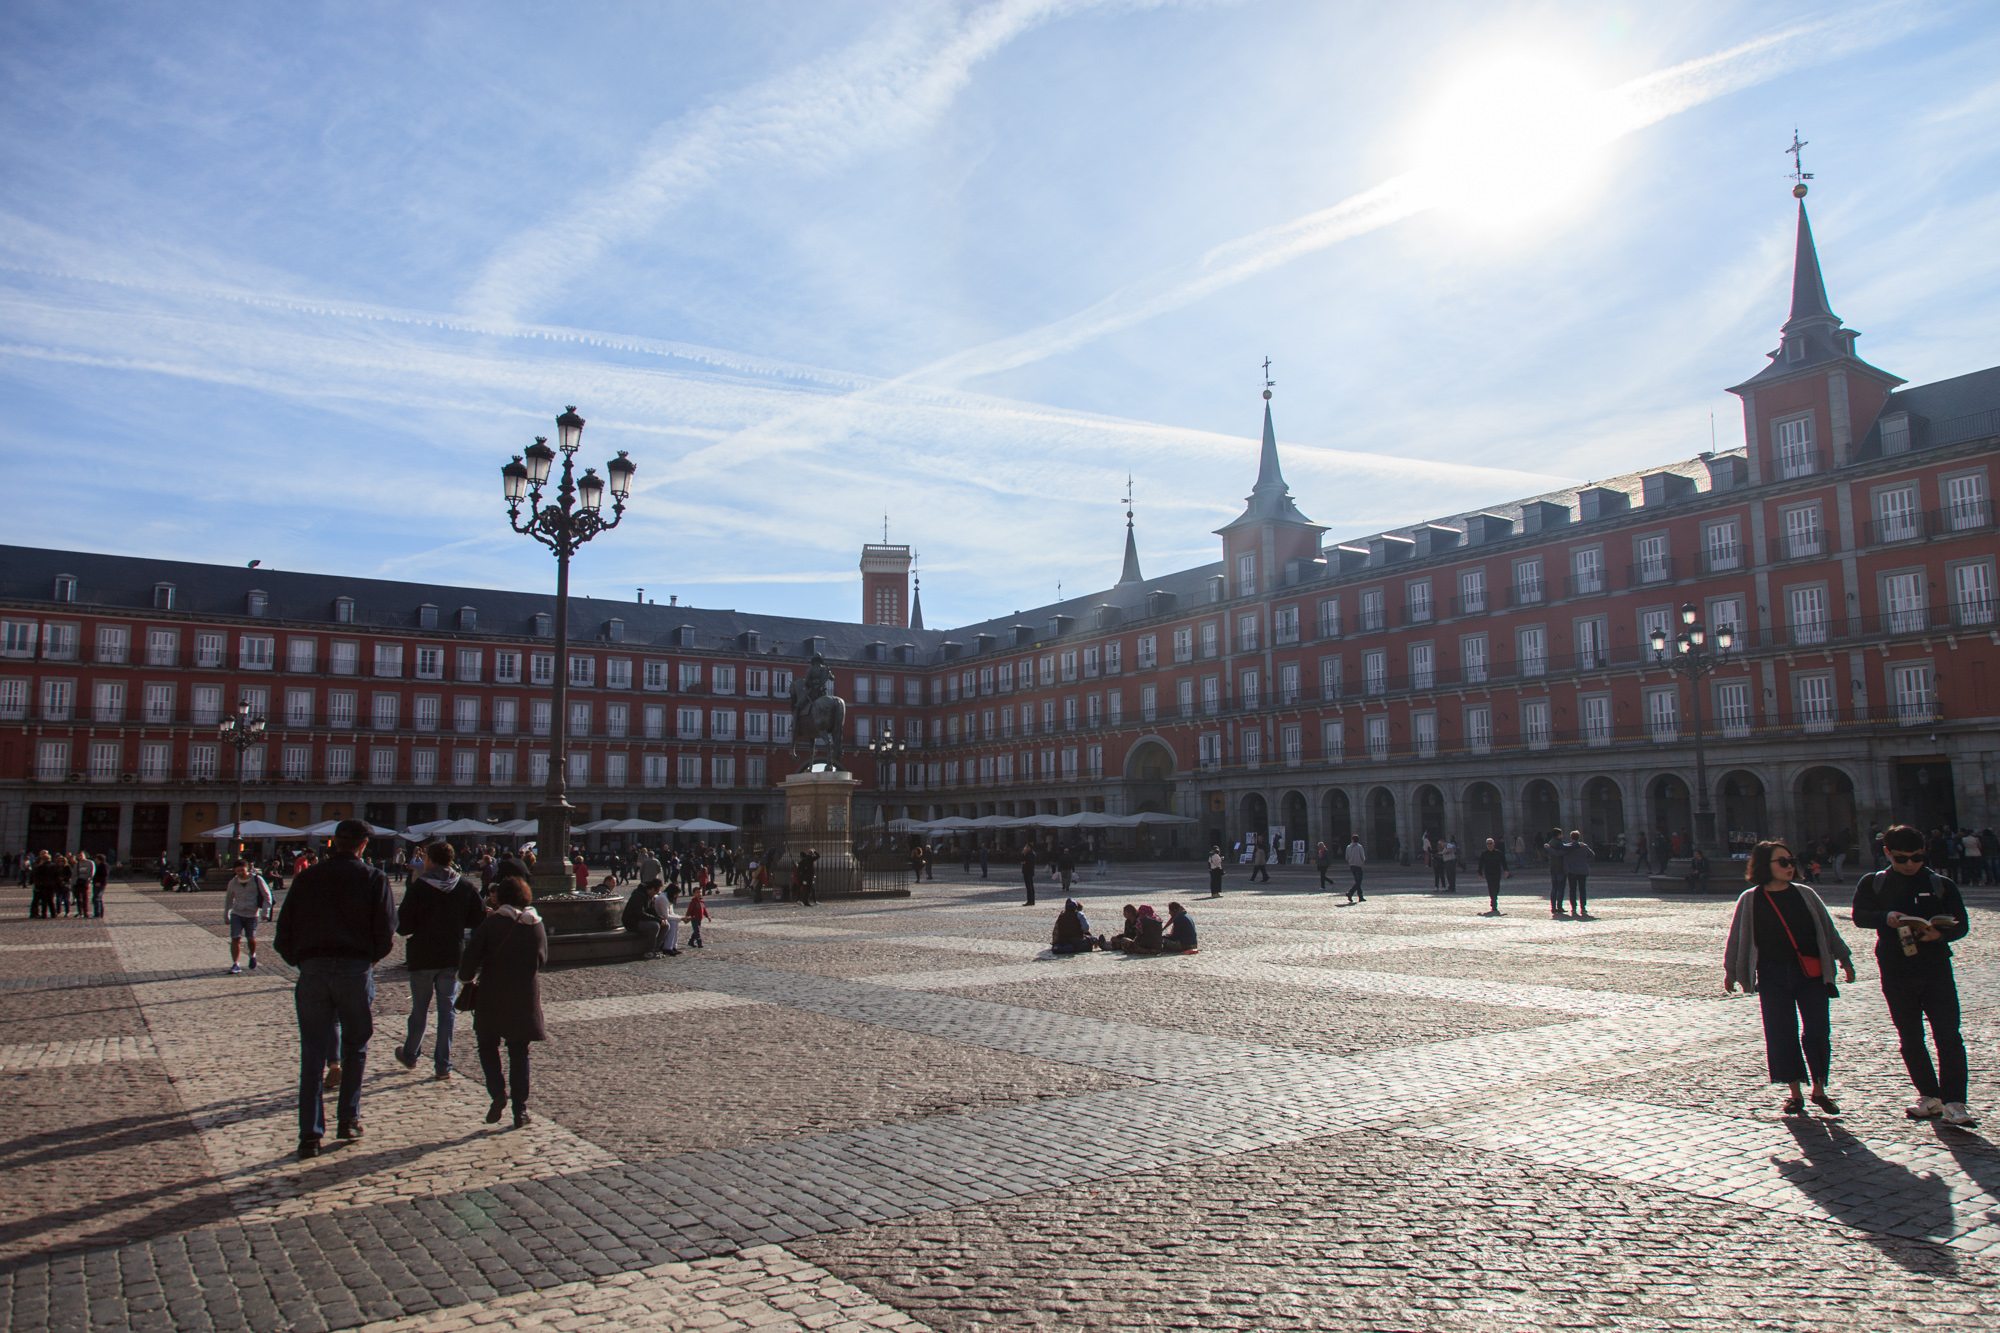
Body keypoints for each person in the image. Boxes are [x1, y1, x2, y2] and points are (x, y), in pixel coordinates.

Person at [274, 819, 396, 1160]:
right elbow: (386, 933)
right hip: (355, 970)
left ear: (333, 843)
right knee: (355, 1047)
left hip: (312, 969)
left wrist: (304, 961)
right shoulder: (374, 878)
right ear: (363, 846)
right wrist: (366, 961)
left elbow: (283, 931)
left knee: (312, 1054)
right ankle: (348, 1120)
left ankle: (310, 1135)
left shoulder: (307, 877)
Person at [1852, 825, 1976, 1126]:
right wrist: (1886, 918)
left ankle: (1955, 1101)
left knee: (1948, 1036)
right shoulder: (1874, 883)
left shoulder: (1940, 883)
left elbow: (1962, 925)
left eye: (1916, 857)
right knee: (1910, 1037)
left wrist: (1939, 934)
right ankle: (1929, 1095)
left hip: (1935, 969)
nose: (1909, 864)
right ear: (1887, 854)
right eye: (1901, 858)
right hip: (1895, 970)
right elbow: (1859, 916)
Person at [1725, 840, 1855, 1116]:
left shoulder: (1805, 894)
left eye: (1790, 860)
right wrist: (1731, 972)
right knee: (1781, 1034)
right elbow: (1737, 938)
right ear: (1764, 866)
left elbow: (1828, 930)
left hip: (1810, 974)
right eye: (1782, 862)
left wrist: (1844, 959)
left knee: (1818, 1031)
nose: (1789, 866)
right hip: (1771, 976)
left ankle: (1819, 1088)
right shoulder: (1750, 899)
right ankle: (1794, 1093)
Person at [457, 875, 548, 1129]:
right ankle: (520, 1110)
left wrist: (465, 980)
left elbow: (471, 957)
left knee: (487, 1045)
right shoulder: (536, 924)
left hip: (492, 993)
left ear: (502, 898)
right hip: (524, 996)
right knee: (519, 1052)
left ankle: (497, 1092)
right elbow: (541, 960)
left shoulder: (493, 923)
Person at [393, 841, 486, 1081]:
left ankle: (411, 1053)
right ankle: (443, 1064)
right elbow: (478, 917)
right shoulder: (464, 885)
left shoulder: (419, 887)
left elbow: (402, 926)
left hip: (423, 954)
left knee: (420, 1009)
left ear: (430, 860)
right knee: (447, 1011)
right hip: (451, 954)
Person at [222, 859, 272, 973]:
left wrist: (265, 912)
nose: (240, 873)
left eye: (242, 870)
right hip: (237, 913)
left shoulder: (257, 879)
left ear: (247, 869)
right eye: (237, 871)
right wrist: (226, 914)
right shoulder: (233, 882)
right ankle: (235, 964)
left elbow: (267, 895)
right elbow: (229, 899)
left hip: (252, 913)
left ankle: (252, 955)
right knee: (235, 937)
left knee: (251, 938)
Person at [1560, 831, 1594, 917]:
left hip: (1572, 871)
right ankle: (1583, 907)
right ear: (1579, 837)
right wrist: (1584, 860)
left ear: (1571, 838)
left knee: (1572, 890)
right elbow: (1592, 854)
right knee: (1582, 889)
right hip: (1582, 870)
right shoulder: (1584, 846)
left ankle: (1574, 907)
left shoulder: (1568, 847)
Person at [648, 881, 682, 957]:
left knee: (675, 922)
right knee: (672, 923)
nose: (676, 896)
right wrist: (681, 918)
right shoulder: (663, 899)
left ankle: (673, 946)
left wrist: (680, 918)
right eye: (676, 894)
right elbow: (666, 916)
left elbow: (672, 913)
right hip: (659, 918)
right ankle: (667, 947)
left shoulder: (668, 898)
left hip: (663, 917)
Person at [1477, 837, 1509, 914]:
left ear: (1494, 844)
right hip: (1488, 874)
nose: (1489, 845)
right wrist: (1480, 874)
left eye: (1490, 843)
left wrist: (1506, 870)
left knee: (1497, 888)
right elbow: (1480, 864)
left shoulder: (1498, 853)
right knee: (1491, 888)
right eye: (1487, 844)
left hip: (1497, 873)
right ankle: (1494, 903)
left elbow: (1504, 862)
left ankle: (1494, 898)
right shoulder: (1484, 854)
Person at [1343, 835, 1366, 903]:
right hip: (1358, 865)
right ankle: (1350, 893)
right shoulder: (1359, 847)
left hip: (1352, 865)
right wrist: (1362, 861)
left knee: (1357, 881)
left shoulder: (1348, 847)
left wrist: (1351, 860)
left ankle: (1360, 896)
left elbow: (1346, 857)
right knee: (1359, 881)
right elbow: (1362, 856)